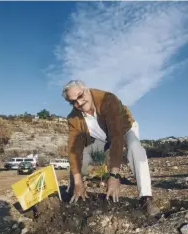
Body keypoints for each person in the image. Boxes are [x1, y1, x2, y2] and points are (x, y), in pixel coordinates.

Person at [62, 80, 159, 216]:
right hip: (102, 137)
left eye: (80, 95)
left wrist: (114, 175)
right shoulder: (73, 118)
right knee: (81, 155)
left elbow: (116, 137)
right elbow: (74, 149)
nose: (79, 102)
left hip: (124, 129)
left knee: (136, 149)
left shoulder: (108, 100)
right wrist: (78, 180)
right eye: (73, 101)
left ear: (87, 90)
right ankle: (75, 192)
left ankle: (146, 198)